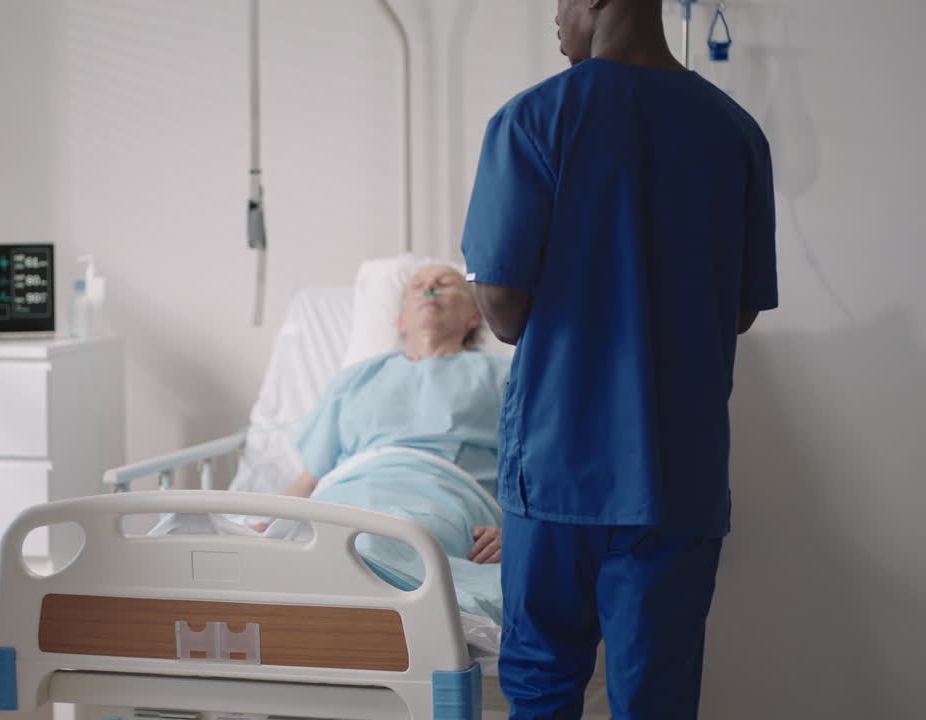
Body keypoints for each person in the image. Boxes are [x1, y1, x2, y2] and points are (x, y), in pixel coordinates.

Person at [461, 1, 778, 718]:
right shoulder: (733, 132)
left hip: (557, 467)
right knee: (656, 699)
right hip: (676, 473)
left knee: (541, 685)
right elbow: (741, 310)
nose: (555, 17)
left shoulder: (533, 120)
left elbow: (504, 308)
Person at [265, 264, 508, 569]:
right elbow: (308, 480)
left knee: (392, 543)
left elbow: (538, 470)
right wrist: (274, 528)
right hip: (344, 495)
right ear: (401, 320)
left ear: (474, 316)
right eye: (417, 285)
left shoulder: (503, 376)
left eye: (445, 283)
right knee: (311, 544)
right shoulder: (355, 379)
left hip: (445, 498)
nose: (429, 288)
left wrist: (515, 533)